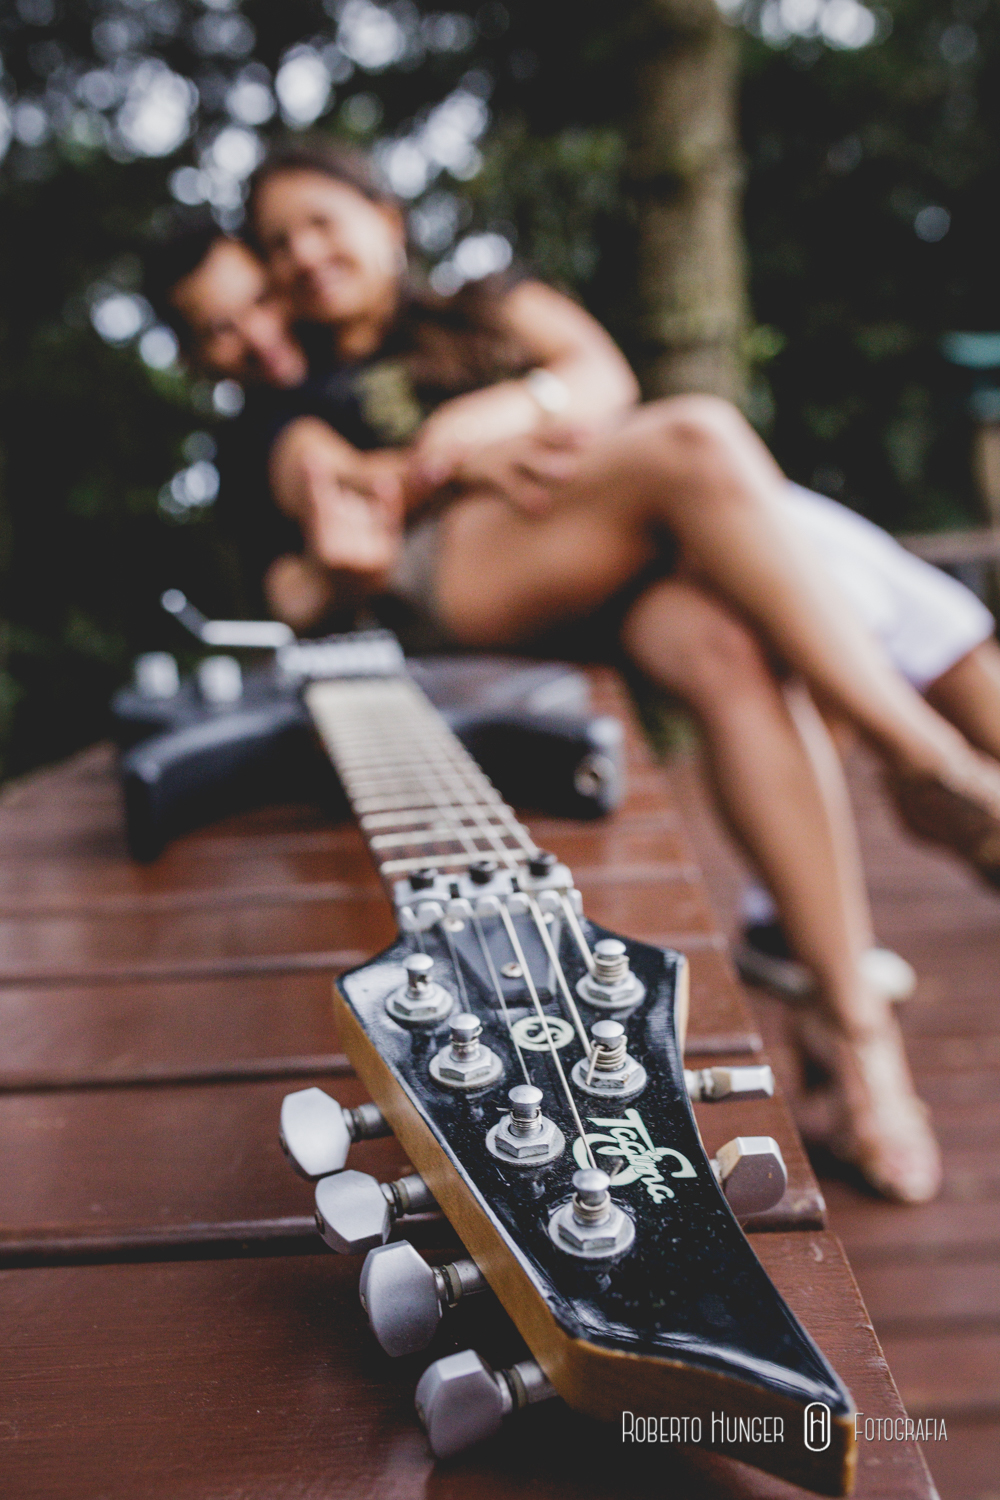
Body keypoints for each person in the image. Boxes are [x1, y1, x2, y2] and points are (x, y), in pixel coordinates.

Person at [148, 149, 1000, 1204]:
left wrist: (486, 423)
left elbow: (603, 379)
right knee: (697, 436)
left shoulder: (485, 306)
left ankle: (855, 1039)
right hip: (476, 575)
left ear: (385, 213)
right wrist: (431, 478)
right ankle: (921, 758)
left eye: (320, 224)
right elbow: (322, 515)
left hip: (616, 565)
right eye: (278, 248)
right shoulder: (296, 401)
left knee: (729, 651)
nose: (303, 258)